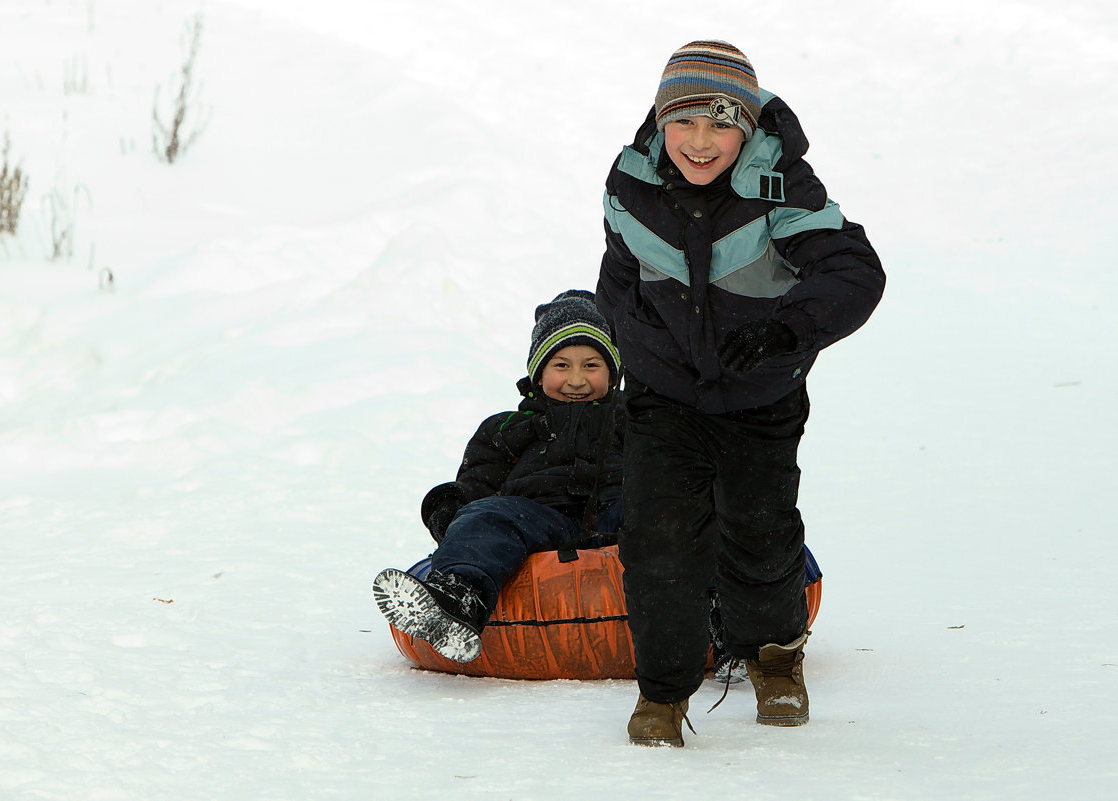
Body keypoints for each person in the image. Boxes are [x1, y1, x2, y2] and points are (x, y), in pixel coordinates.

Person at [595, 40, 885, 745]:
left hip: (760, 395)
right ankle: (662, 692)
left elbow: (853, 271)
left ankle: (774, 657)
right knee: (657, 539)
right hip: (664, 396)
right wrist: (628, 350)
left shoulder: (780, 186)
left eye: (721, 125)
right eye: (684, 122)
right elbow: (618, 274)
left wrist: (787, 330)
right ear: (661, 122)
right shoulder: (631, 181)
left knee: (757, 532)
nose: (700, 142)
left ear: (748, 129)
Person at [373, 290, 624, 663]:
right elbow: (478, 486)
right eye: (561, 365)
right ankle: (458, 600)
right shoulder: (507, 427)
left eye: (591, 365)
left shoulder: (635, 419)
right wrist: (451, 508)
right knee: (489, 516)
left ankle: (721, 615)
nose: (576, 380)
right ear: (538, 374)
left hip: (618, 513)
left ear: (612, 372)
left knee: (677, 518)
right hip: (538, 519)